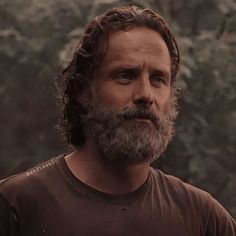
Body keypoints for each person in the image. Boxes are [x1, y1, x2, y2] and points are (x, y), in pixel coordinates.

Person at [0, 5, 235, 236]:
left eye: (158, 79)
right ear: (83, 90)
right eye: (126, 75)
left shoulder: (203, 219)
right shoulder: (16, 205)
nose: (145, 94)